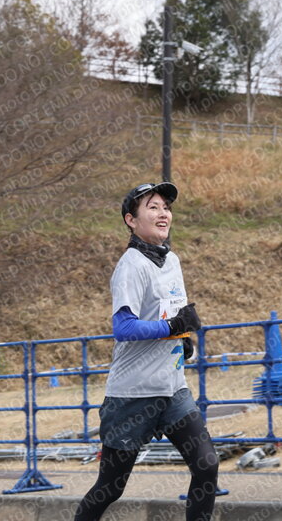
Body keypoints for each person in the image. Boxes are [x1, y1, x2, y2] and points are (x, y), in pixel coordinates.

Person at [75, 182, 219, 521]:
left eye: (166, 207)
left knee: (207, 465)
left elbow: (172, 313)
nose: (163, 213)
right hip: (133, 395)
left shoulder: (172, 260)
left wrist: (182, 337)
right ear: (131, 220)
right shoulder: (131, 266)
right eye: (152, 207)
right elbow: (124, 328)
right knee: (111, 487)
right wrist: (170, 327)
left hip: (173, 389)